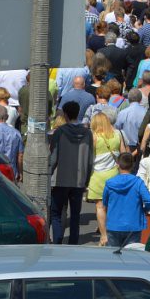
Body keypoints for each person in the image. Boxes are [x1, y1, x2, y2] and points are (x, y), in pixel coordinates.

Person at [48, 100, 93, 245]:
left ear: (65, 115)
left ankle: (57, 241)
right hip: (79, 180)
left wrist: (48, 175)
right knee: (75, 216)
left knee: (55, 213)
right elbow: (90, 160)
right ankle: (73, 244)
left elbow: (54, 158)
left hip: (60, 179)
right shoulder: (87, 133)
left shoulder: (59, 132)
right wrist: (86, 180)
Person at [88, 111, 127, 246]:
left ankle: (103, 236)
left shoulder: (94, 137)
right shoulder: (117, 134)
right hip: (114, 174)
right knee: (112, 206)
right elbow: (124, 155)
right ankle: (112, 233)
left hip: (97, 176)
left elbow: (88, 157)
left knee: (100, 206)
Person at [103, 152, 150, 247]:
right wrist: (144, 210)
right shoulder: (138, 182)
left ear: (118, 165)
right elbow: (149, 200)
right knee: (131, 257)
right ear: (133, 165)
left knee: (112, 256)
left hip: (114, 224)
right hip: (133, 225)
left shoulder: (110, 183)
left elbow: (105, 203)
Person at [0, 104, 23, 179]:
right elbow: (20, 155)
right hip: (11, 171)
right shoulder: (16, 133)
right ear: (7, 117)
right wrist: (20, 172)